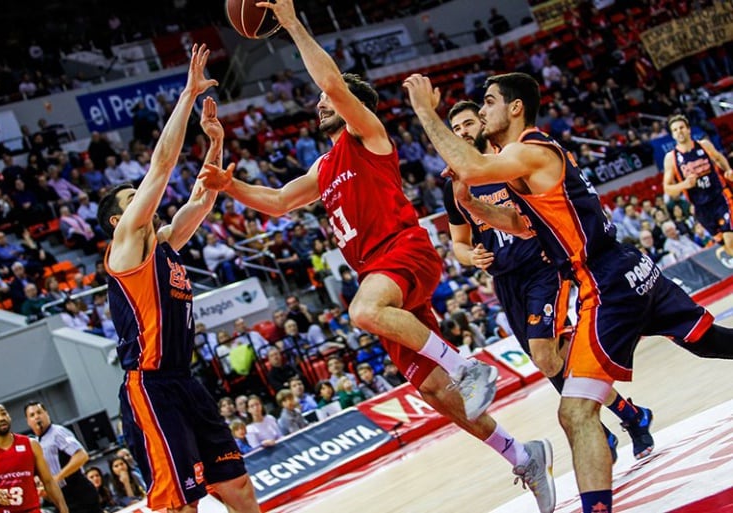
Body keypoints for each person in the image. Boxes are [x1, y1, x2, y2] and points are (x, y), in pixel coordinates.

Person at [200, 4, 554, 510]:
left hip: (403, 252)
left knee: (361, 312)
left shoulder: (368, 136)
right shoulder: (324, 167)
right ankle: (523, 454)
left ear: (347, 105)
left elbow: (334, 85)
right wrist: (228, 184)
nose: (319, 105)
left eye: (327, 99)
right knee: (434, 394)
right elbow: (279, 202)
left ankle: (469, 366)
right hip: (383, 279)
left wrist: (292, 22)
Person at [404, 70, 733, 513]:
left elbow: (472, 165)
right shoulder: (525, 159)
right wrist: (471, 204)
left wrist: (425, 110)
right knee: (707, 342)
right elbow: (520, 225)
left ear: (515, 107)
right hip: (629, 267)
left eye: (488, 102)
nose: (481, 112)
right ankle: (632, 419)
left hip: (604, 281)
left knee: (575, 411)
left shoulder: (531, 149)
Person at [443, 99, 655, 462]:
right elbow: (459, 244)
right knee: (554, 360)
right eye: (456, 128)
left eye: (468, 124)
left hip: (542, 268)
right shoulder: (453, 185)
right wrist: (471, 258)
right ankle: (630, 415)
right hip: (505, 281)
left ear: (482, 124)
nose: (463, 132)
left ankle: (598, 430)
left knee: (546, 353)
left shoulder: (507, 161)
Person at [96, 44, 259, 513]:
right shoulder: (126, 243)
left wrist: (215, 142)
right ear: (117, 220)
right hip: (150, 387)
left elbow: (202, 199)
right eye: (134, 198)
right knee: (179, 507)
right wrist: (188, 94)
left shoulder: (163, 242)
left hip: (184, 381)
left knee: (238, 489)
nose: (143, 200)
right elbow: (162, 167)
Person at [0, 403, 69, 513]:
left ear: (9, 417)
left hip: (31, 509)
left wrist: (63, 508)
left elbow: (48, 482)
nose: (1, 418)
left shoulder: (31, 444)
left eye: (4, 414)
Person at [662, 114, 733, 268]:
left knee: (730, 239)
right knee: (725, 245)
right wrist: (684, 185)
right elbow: (667, 188)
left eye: (681, 128)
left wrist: (727, 170)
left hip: (720, 198)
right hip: (701, 208)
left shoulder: (704, 145)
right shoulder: (671, 158)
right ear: (672, 135)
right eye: (675, 130)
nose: (679, 132)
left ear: (688, 129)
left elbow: (719, 157)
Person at [24, 401, 101, 513]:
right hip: (61, 497)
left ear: (47, 413)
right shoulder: (36, 442)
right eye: (32, 415)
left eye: (39, 412)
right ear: (28, 422)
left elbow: (82, 455)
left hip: (78, 492)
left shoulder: (58, 432)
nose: (37, 417)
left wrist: (58, 477)